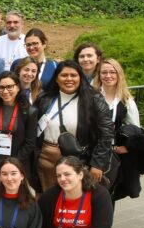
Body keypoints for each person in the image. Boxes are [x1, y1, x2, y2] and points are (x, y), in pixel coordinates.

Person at [35, 61, 115, 191]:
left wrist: (98, 164)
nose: (69, 79)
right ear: (56, 78)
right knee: (49, 199)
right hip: (46, 159)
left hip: (78, 159)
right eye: (64, 75)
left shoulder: (93, 99)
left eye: (73, 75)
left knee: (75, 199)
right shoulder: (45, 98)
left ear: (80, 78)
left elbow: (106, 132)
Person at [0, 71, 36, 184]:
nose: (5, 91)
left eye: (9, 87)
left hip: (15, 170)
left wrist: (11, 167)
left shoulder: (28, 112)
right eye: (1, 87)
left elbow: (30, 144)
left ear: (18, 87)